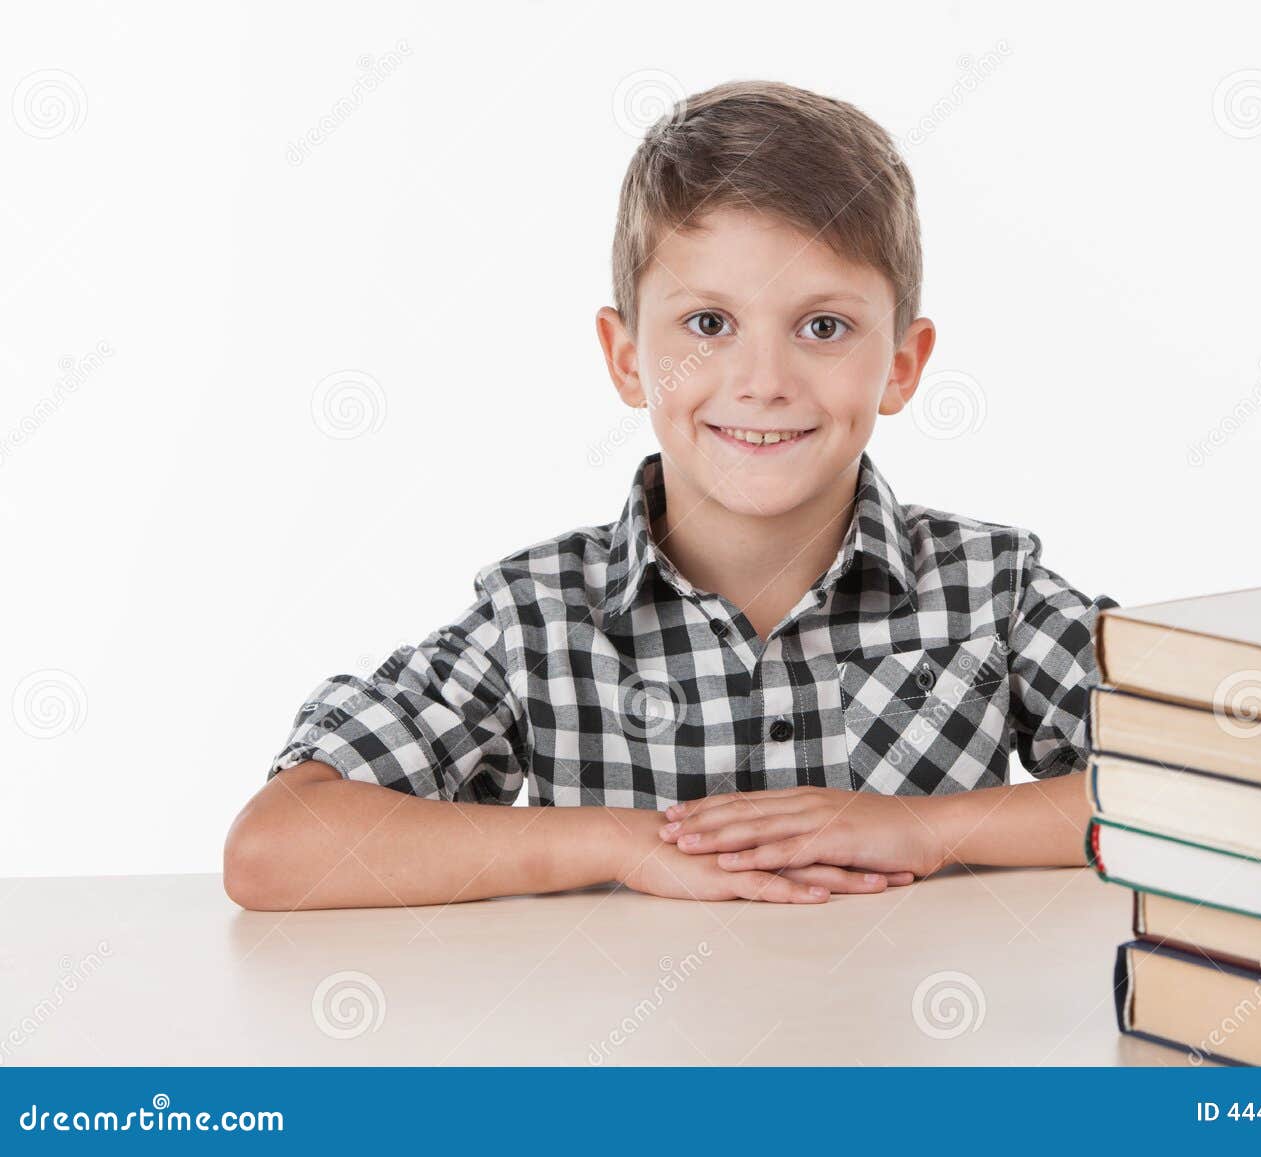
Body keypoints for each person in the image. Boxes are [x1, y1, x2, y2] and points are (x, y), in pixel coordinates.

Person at [223, 80, 1116, 911]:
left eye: (823, 326)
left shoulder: (991, 591)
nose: (763, 380)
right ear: (626, 358)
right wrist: (618, 844)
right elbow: (276, 846)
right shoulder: (540, 617)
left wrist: (921, 828)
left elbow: (1231, 788)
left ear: (903, 364)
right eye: (708, 324)